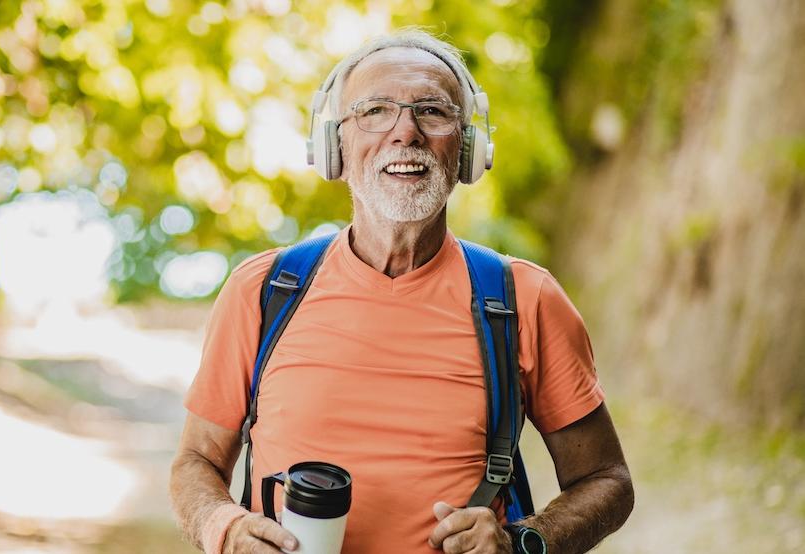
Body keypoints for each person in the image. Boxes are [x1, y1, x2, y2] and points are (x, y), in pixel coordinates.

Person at [169, 29, 634, 554]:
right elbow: (196, 462)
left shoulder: (524, 299)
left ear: (468, 148)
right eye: (374, 111)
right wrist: (224, 528)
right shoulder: (264, 290)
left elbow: (607, 479)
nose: (405, 132)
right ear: (334, 146)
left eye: (432, 111)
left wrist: (522, 541)